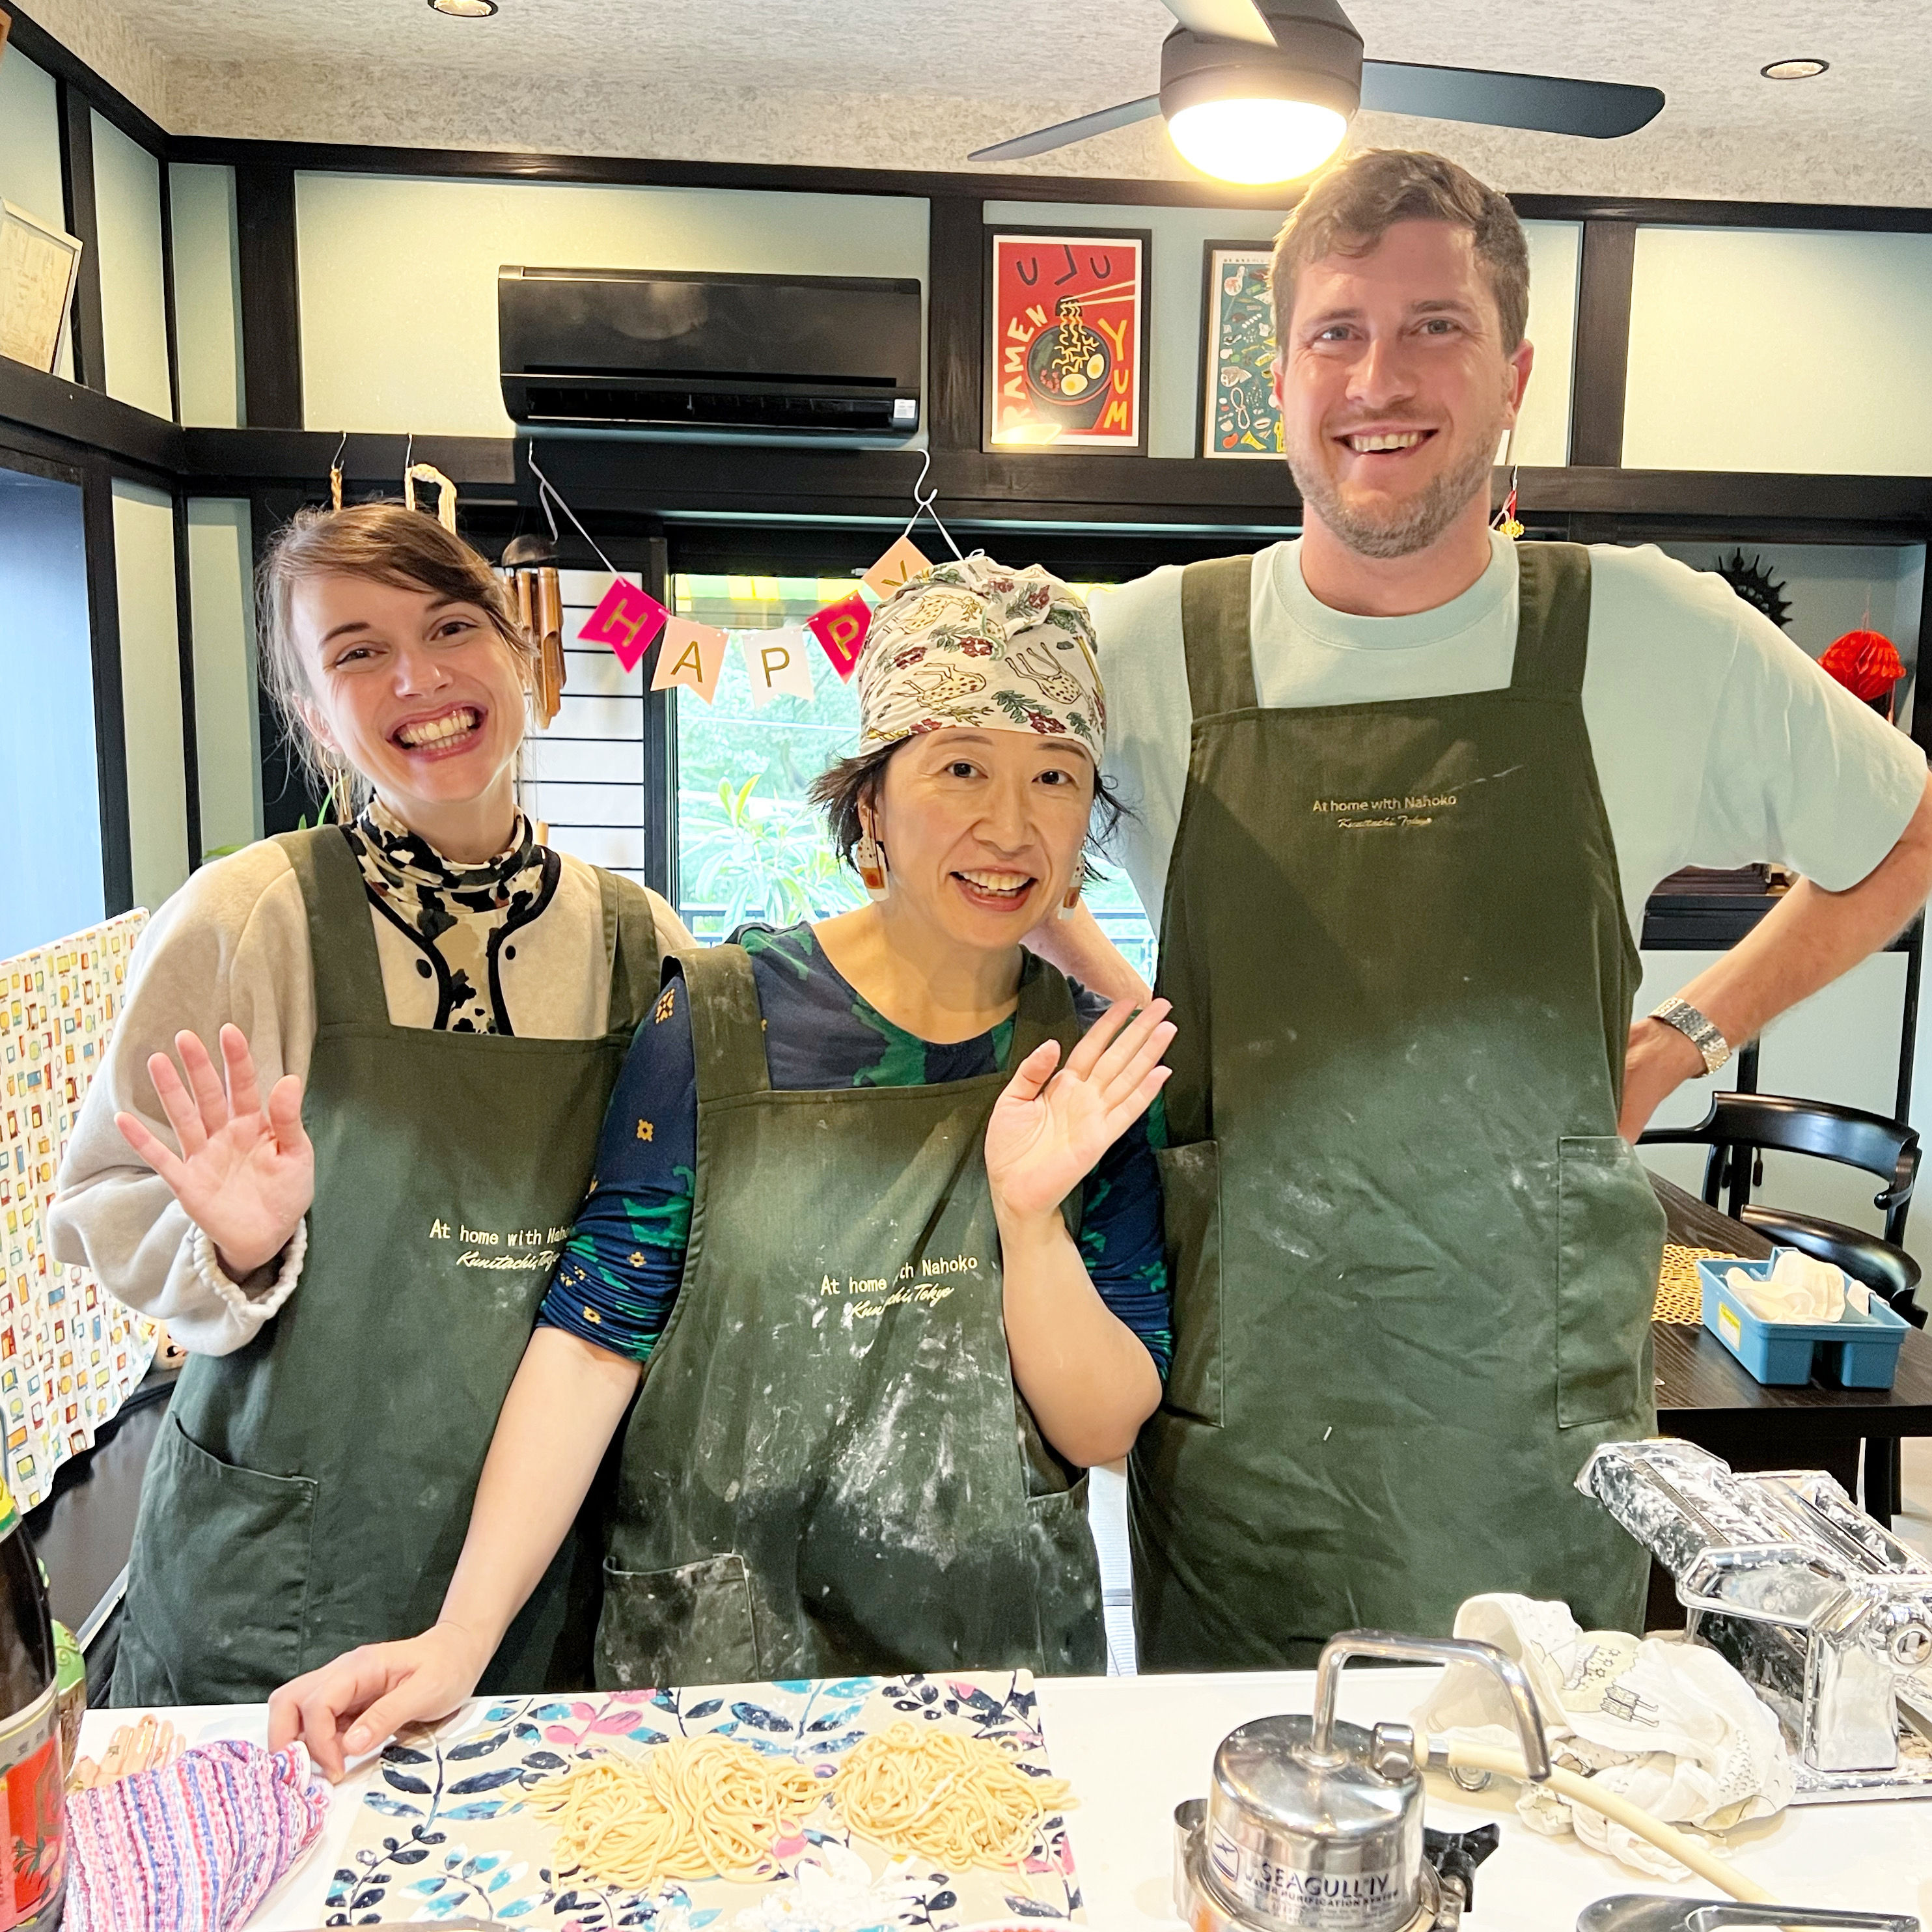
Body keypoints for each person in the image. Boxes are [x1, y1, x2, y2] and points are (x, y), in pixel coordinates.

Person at [1034, 148, 1932, 1668]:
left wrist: (1681, 1032)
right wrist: (1131, 1007)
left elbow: (1903, 835)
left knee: (1529, 1824)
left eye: (1433, 325)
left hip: (1525, 1423)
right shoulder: (1140, 649)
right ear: (1281, 374)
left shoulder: (1646, 628)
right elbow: (946, 835)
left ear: (1512, 372)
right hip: (1250, 1425)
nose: (1378, 376)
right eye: (1334, 330)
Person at [268, 559, 1173, 1776]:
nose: (1009, 827)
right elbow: (597, 1331)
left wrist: (1032, 1220)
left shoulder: (1090, 1058)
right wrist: (459, 1637)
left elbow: (1108, 1423)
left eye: (1054, 778)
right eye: (961, 766)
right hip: (717, 1681)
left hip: (988, 1685)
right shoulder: (718, 1017)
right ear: (871, 805)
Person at [49, 503, 689, 1704]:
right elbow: (103, 1196)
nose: (420, 678)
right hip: (285, 1567)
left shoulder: (635, 940)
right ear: (310, 716)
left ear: (520, 652)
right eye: (354, 651)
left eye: (453, 626)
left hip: (543, 1553)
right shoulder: (249, 917)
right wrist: (236, 1246)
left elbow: (663, 1244)